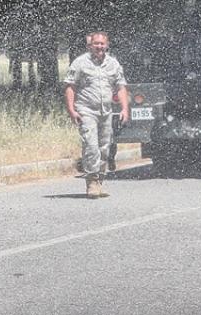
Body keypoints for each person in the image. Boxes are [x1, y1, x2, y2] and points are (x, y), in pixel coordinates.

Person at [64, 31, 128, 200]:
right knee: (91, 145)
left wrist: (124, 109)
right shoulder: (80, 63)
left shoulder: (113, 64)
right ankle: (92, 181)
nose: (99, 46)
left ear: (107, 45)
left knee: (104, 148)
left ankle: (99, 180)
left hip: (106, 111)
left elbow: (120, 87)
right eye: (96, 44)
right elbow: (70, 86)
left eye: (102, 44)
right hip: (86, 110)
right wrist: (72, 110)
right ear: (89, 46)